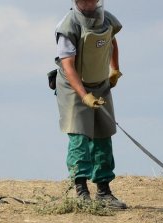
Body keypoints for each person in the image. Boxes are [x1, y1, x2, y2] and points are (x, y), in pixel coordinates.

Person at [53, 0, 126, 209]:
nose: (92, 3)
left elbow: (111, 41)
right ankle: (81, 191)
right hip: (73, 86)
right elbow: (68, 66)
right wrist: (84, 96)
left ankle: (104, 192)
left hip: (99, 84)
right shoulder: (68, 26)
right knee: (79, 135)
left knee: (103, 134)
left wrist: (115, 69)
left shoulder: (107, 19)